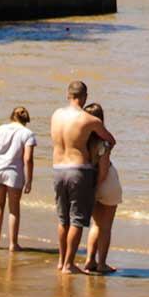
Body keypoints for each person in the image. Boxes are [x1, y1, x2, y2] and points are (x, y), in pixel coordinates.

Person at [50, 81, 114, 273]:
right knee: (77, 220)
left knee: (63, 219)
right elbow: (110, 140)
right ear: (84, 96)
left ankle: (62, 261)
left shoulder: (56, 115)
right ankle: (69, 264)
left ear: (68, 95)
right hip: (78, 170)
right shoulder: (89, 120)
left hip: (57, 168)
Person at [0, 106, 36, 250]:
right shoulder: (28, 134)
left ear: (12, 117)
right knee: (14, 208)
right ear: (26, 120)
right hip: (14, 173)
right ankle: (13, 243)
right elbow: (28, 159)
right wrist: (29, 179)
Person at [82, 101, 122, 274]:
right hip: (106, 184)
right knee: (105, 227)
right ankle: (102, 263)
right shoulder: (103, 143)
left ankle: (90, 260)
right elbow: (104, 171)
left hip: (89, 182)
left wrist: (91, 190)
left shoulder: (81, 142)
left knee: (96, 225)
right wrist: (97, 187)